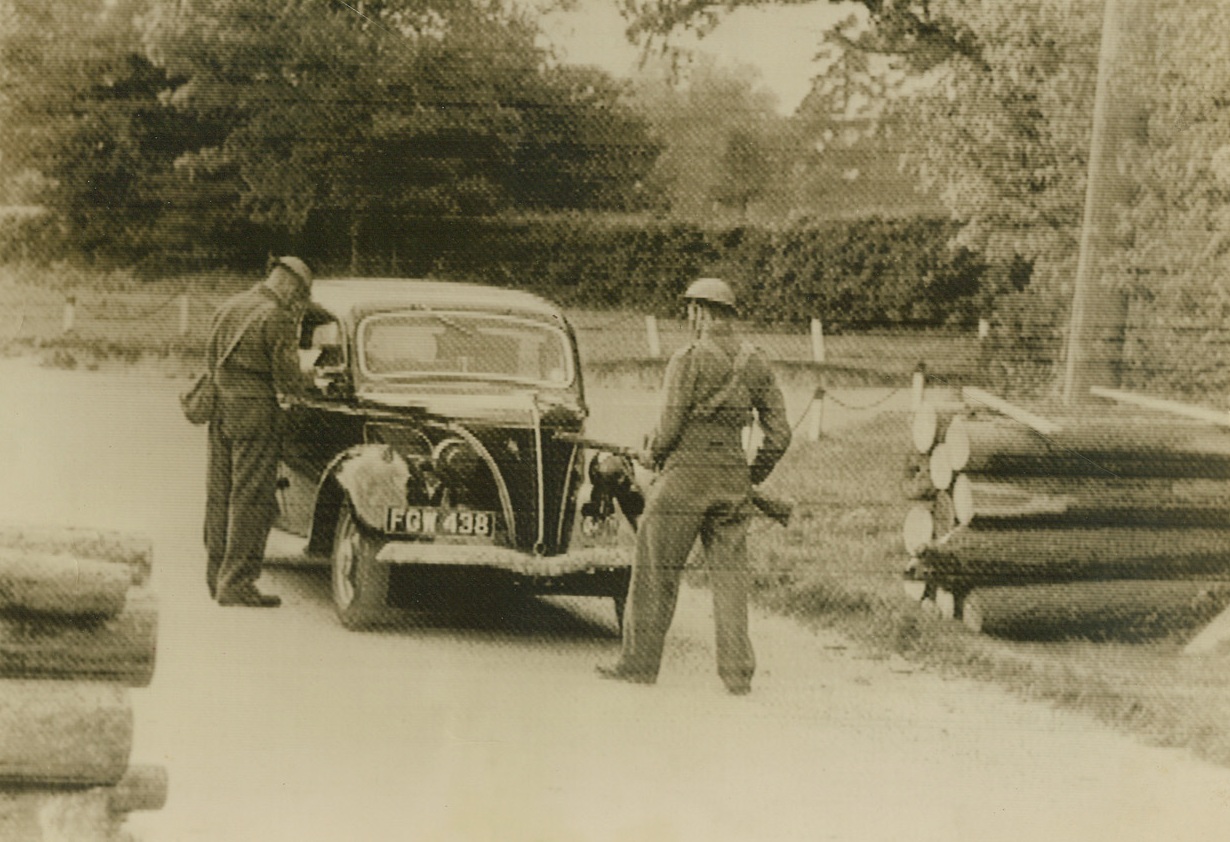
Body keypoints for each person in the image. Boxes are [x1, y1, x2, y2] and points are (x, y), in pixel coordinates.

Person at [597, 277, 792, 694]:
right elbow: (780, 436)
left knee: (655, 572)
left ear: (700, 312)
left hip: (683, 480)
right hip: (733, 481)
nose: (689, 317)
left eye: (691, 310)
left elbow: (668, 429)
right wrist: (751, 476)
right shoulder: (757, 361)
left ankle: (638, 665)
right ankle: (738, 675)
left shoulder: (686, 359)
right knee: (731, 580)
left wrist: (652, 452)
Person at [204, 256, 314, 607]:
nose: (297, 301)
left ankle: (216, 576)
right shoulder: (276, 317)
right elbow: (288, 379)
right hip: (256, 416)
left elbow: (209, 360)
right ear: (290, 284)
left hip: (221, 411)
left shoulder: (229, 306)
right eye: (299, 294)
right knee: (252, 498)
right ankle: (237, 584)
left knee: (220, 494)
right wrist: (309, 379)